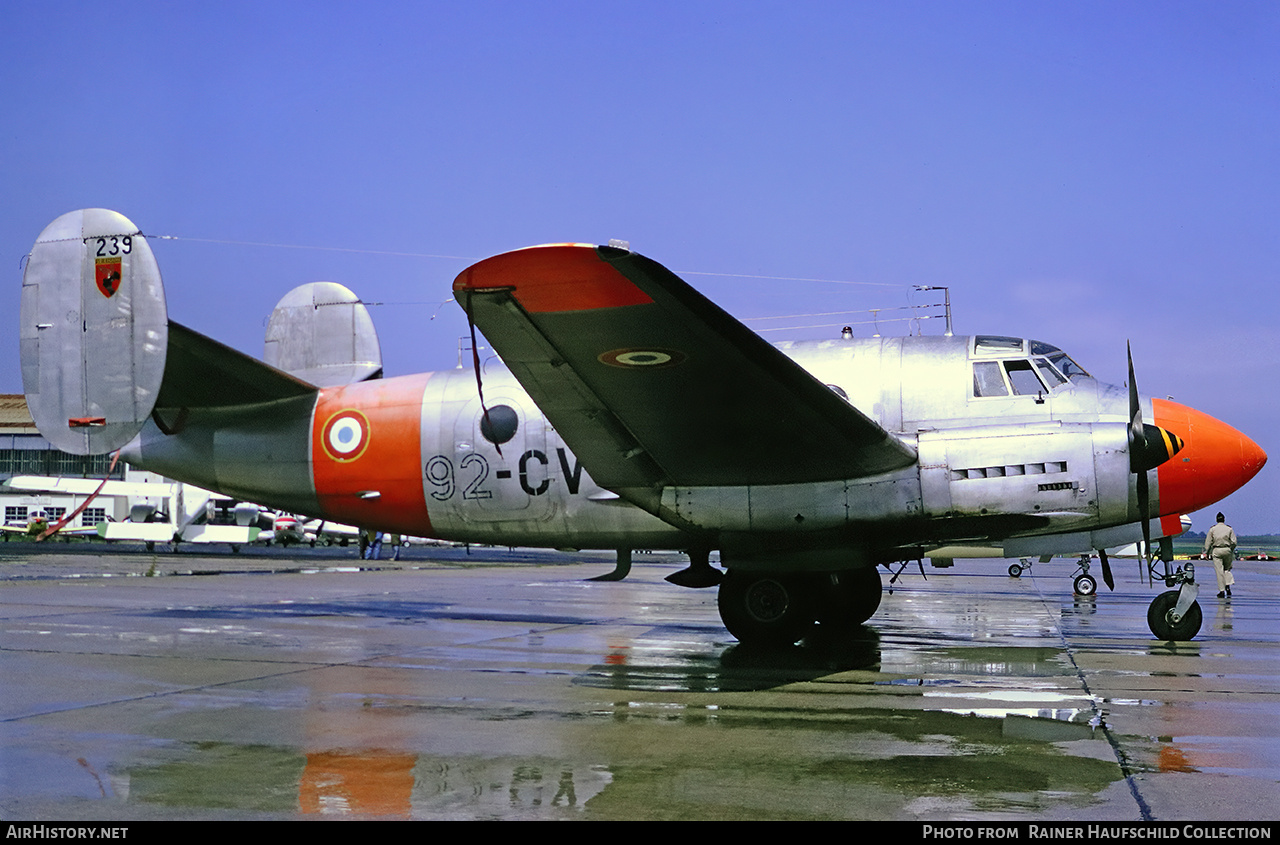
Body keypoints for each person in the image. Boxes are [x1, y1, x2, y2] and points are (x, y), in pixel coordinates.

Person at [1203, 512, 1238, 599]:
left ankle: (1222, 591)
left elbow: (1208, 542)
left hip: (1217, 550)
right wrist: (1231, 550)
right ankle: (1228, 586)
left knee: (1219, 571)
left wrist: (1206, 553)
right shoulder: (1229, 529)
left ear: (1216, 520)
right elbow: (1234, 542)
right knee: (1227, 569)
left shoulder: (1213, 529)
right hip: (1227, 549)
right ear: (1224, 519)